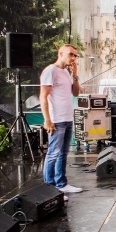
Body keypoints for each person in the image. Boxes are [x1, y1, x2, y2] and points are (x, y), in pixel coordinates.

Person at [40, 43, 83, 195]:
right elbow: (43, 96)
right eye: (71, 54)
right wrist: (47, 120)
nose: (73, 58)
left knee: (63, 153)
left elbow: (76, 93)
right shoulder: (50, 71)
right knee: (53, 154)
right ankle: (49, 190)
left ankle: (61, 183)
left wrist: (75, 74)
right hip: (56, 119)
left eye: (75, 55)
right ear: (61, 54)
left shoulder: (66, 72)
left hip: (67, 118)